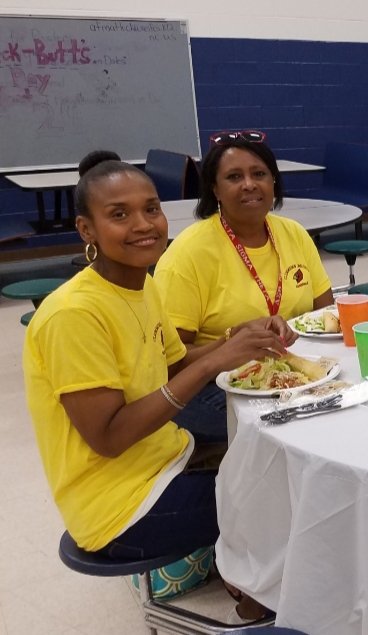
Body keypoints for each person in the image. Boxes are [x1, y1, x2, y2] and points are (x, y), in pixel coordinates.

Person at [23, 153, 284, 622]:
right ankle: (260, 609)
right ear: (87, 230)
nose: (144, 225)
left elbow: (175, 362)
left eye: (151, 208)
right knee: (280, 500)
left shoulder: (142, 285)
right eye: (119, 214)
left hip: (166, 459)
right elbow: (109, 437)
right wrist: (214, 365)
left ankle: (247, 576)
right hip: (119, 509)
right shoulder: (73, 315)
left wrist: (237, 340)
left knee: (275, 464)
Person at [155, 130, 331, 441]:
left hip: (295, 374)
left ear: (273, 181)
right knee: (285, 431)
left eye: (259, 174)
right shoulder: (188, 255)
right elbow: (169, 365)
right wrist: (229, 344)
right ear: (215, 189)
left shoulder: (294, 234)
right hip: (214, 386)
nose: (249, 184)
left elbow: (326, 316)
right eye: (234, 176)